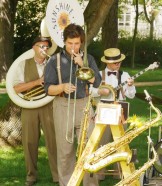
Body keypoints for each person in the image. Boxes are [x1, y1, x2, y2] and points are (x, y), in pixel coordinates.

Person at [44, 23, 101, 186]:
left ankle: (90, 184)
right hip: (63, 106)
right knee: (65, 151)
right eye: (70, 43)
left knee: (89, 149)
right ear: (64, 42)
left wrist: (82, 64)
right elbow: (47, 88)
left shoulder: (88, 58)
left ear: (81, 43)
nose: (73, 47)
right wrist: (62, 87)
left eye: (76, 43)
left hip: (84, 105)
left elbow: (96, 81)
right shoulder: (54, 60)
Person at [13, 37, 58, 186]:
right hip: (29, 106)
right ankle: (31, 175)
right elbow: (16, 88)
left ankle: (57, 176)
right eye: (42, 46)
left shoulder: (53, 64)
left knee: (53, 140)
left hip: (48, 105)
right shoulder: (22, 65)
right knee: (29, 141)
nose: (44, 49)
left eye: (47, 47)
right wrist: (37, 82)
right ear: (34, 47)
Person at [91, 48, 136, 180]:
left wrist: (131, 86)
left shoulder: (125, 74)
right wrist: (100, 91)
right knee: (102, 143)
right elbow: (90, 92)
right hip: (103, 113)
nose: (118, 64)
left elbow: (131, 95)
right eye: (115, 62)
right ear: (107, 63)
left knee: (121, 144)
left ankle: (121, 174)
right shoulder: (98, 74)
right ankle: (99, 173)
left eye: (119, 61)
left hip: (120, 113)